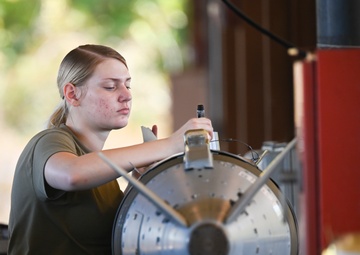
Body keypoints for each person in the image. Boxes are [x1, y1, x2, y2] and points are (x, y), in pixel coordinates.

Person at [8, 44, 213, 255]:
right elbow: (72, 174)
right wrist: (168, 145)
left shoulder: (103, 174)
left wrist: (140, 176)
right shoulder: (49, 142)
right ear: (72, 94)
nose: (126, 95)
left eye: (127, 85)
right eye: (110, 87)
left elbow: (117, 233)